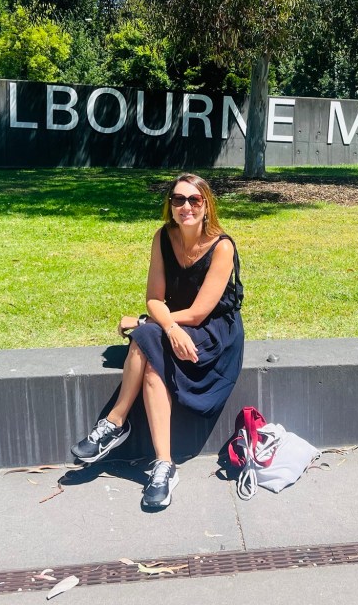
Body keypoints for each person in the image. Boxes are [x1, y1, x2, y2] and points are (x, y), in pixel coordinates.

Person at [70, 173, 244, 509]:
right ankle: (161, 462)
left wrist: (149, 322)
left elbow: (198, 313)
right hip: (176, 323)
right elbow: (154, 298)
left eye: (194, 199)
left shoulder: (221, 246)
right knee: (149, 348)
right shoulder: (163, 237)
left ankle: (116, 426)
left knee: (145, 335)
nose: (186, 206)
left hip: (213, 334)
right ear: (170, 205)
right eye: (178, 199)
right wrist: (163, 324)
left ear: (207, 205)